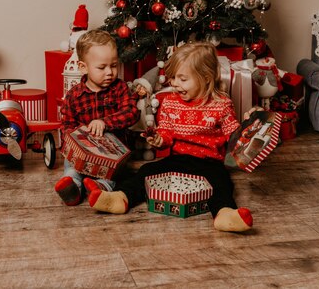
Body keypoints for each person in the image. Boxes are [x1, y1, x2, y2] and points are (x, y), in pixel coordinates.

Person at [88, 42, 253, 232]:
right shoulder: (170, 103)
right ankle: (120, 197)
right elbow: (165, 131)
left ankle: (224, 213)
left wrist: (249, 124)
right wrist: (159, 139)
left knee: (222, 182)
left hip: (209, 162)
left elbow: (234, 135)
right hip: (178, 160)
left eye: (182, 79)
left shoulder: (222, 104)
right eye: (173, 77)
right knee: (146, 171)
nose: (174, 83)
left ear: (206, 78)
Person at [55, 29, 139, 206]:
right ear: (83, 67)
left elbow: (131, 112)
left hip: (112, 153)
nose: (109, 72)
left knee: (111, 175)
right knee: (71, 166)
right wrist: (80, 142)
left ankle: (99, 188)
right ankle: (73, 187)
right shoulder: (73, 96)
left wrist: (105, 123)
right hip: (83, 152)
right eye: (102, 67)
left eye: (114, 65)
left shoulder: (120, 89)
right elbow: (67, 127)